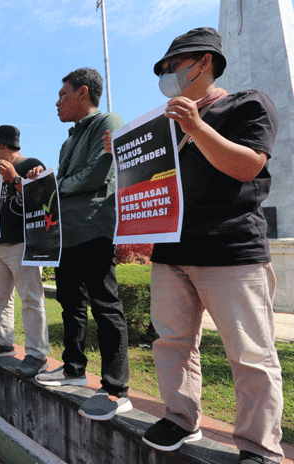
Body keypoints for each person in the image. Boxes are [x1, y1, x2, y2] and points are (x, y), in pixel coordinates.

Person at [121, 28, 282, 464]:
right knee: (172, 342)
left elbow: (246, 166)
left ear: (204, 62)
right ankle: (178, 416)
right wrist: (124, 156)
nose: (167, 75)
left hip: (230, 249)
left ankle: (257, 447)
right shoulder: (164, 127)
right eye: (164, 69)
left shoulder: (246, 104)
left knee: (250, 354)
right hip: (172, 253)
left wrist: (195, 125)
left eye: (173, 65)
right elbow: (148, 188)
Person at [28, 68, 132, 421]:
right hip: (66, 233)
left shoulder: (109, 120)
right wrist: (43, 183)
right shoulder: (69, 139)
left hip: (93, 227)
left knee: (105, 305)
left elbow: (96, 174)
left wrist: (55, 186)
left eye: (62, 95)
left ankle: (116, 387)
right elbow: (70, 177)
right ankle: (73, 368)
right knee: (71, 301)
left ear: (83, 92)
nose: (57, 103)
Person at [0, 125, 50, 378]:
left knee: (31, 298)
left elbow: (42, 200)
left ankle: (37, 354)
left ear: (3, 146)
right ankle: (3, 341)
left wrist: (16, 179)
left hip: (22, 242)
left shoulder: (32, 164)